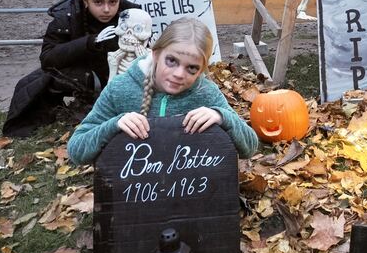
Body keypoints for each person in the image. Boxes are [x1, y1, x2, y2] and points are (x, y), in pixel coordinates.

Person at [67, 18, 258, 165]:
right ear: (156, 53)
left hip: (192, 193)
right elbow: (76, 151)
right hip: (131, 197)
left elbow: (249, 147)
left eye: (191, 68)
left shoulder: (206, 93)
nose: (178, 74)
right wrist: (114, 125)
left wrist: (222, 117)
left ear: (201, 70)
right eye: (172, 61)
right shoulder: (119, 89)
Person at [3, 0, 140, 138]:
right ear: (85, 1)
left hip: (119, 76)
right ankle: (57, 110)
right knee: (36, 81)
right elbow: (47, 59)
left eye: (113, 2)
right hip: (79, 73)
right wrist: (89, 43)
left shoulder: (133, 16)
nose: (106, 9)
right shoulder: (67, 16)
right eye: (98, 2)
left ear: (119, 0)